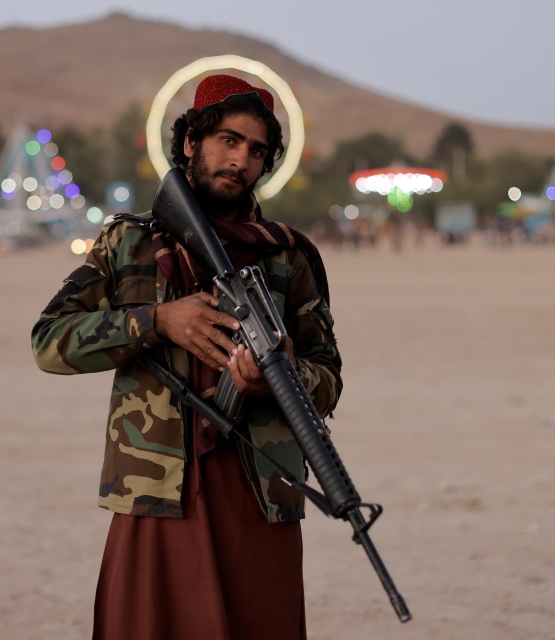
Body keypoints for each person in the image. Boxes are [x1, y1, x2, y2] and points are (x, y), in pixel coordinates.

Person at [32, 74, 342, 640]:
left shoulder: (288, 257)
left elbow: (329, 379)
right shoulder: (128, 245)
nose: (240, 160)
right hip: (156, 486)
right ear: (192, 141)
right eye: (228, 140)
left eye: (256, 151)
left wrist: (276, 376)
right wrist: (157, 321)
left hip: (258, 489)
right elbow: (49, 342)